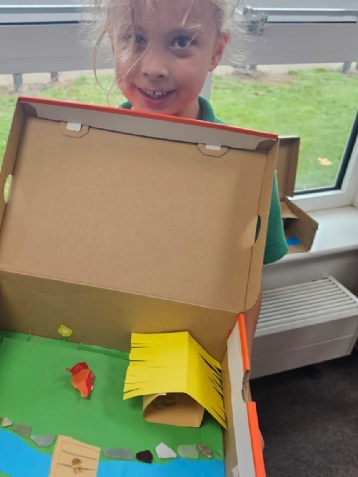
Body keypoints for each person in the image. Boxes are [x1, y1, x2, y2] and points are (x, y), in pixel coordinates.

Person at [87, 0, 288, 356]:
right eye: (135, 38)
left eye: (181, 41)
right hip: (99, 341)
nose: (153, 68)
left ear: (216, 51)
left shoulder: (247, 167)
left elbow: (247, 288)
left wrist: (239, 368)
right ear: (113, 43)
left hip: (193, 350)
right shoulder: (89, 149)